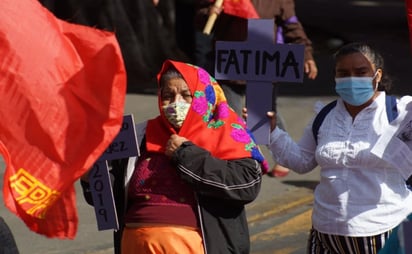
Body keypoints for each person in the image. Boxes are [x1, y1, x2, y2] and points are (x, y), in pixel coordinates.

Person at [81, 59, 268, 254]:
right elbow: (115, 196)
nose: (175, 103)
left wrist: (185, 153)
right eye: (168, 96)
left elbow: (246, 186)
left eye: (186, 96)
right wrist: (92, 177)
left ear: (204, 98)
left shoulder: (229, 134)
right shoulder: (139, 135)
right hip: (135, 244)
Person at [260, 42, 412, 253]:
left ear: (377, 75)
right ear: (335, 77)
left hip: (383, 232)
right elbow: (302, 162)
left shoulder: (401, 113)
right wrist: (273, 132)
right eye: (344, 73)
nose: (352, 79)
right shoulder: (325, 115)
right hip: (324, 232)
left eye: (361, 72)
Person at [193, 0, 318, 177]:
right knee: (229, 115)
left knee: (263, 114)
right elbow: (201, 23)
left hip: (263, 61)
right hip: (231, 63)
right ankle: (238, 160)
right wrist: (211, 12)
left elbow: (292, 25)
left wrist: (306, 54)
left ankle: (284, 157)